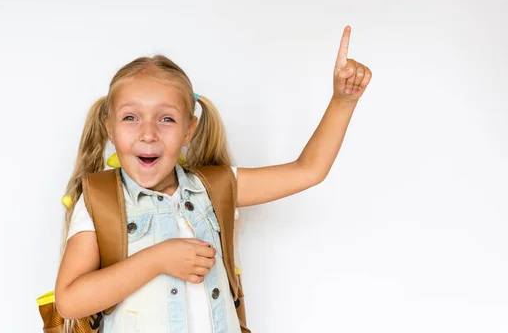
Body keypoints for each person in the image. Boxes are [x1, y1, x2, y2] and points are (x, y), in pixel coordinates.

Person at [54, 26, 372, 332]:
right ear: (109, 127)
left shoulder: (212, 188)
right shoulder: (101, 201)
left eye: (166, 119)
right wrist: (158, 259)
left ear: (189, 130)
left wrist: (342, 102)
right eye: (130, 117)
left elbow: (308, 171)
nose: (148, 133)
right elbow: (69, 301)